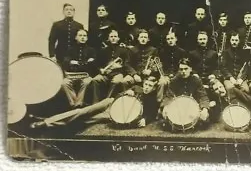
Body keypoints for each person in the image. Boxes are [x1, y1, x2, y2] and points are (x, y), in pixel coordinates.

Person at [30, 76, 160, 130]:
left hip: (114, 113)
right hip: (110, 102)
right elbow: (118, 95)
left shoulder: (152, 100)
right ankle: (46, 121)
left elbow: (151, 114)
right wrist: (126, 92)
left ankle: (49, 122)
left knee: (87, 120)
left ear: (154, 87)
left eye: (150, 86)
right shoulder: (137, 88)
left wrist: (145, 120)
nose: (147, 87)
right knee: (82, 111)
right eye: (146, 84)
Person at [161, 58, 210, 129]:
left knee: (205, 119)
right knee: (164, 117)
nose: (183, 71)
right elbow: (169, 95)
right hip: (179, 107)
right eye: (181, 69)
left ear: (190, 69)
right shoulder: (174, 81)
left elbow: (203, 96)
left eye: (186, 69)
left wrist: (205, 109)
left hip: (193, 107)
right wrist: (165, 107)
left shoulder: (196, 80)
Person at [91, 30, 134, 101]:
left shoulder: (124, 50)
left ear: (118, 38)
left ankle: (107, 101)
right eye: (111, 36)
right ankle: (95, 102)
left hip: (118, 73)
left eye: (115, 36)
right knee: (95, 80)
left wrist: (120, 67)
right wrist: (100, 69)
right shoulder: (103, 50)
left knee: (116, 82)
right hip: (106, 74)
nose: (113, 38)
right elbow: (97, 63)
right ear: (108, 38)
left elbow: (127, 64)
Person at [61, 29, 97, 107]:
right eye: (80, 35)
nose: (82, 37)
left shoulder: (91, 50)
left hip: (86, 76)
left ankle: (78, 104)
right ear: (76, 37)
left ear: (87, 38)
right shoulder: (70, 50)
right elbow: (66, 63)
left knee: (86, 82)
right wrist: (85, 62)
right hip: (72, 75)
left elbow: (92, 65)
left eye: (84, 36)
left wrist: (76, 63)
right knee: (64, 83)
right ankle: (73, 104)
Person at [157, 32, 187, 100]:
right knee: (162, 83)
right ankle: (160, 103)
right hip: (165, 75)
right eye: (168, 39)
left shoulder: (182, 52)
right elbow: (160, 66)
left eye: (172, 38)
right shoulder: (162, 51)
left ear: (176, 39)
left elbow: (184, 66)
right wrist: (163, 75)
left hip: (179, 75)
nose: (170, 40)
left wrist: (177, 76)